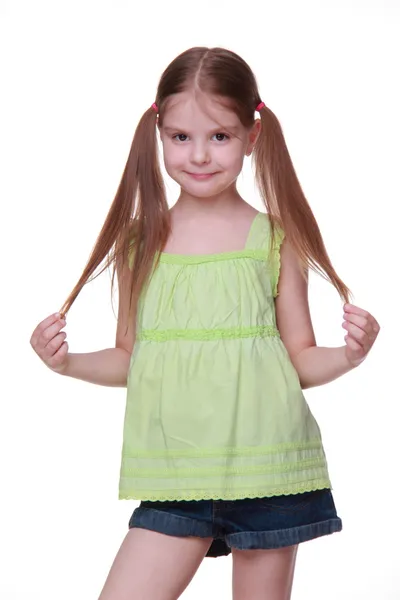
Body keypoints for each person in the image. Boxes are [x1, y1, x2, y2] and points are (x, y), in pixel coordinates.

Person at [30, 46, 380, 600]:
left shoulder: (275, 239)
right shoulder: (139, 243)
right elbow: (129, 356)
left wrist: (350, 354)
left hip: (267, 471)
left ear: (251, 138)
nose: (198, 155)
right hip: (175, 474)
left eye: (219, 136)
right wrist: (66, 362)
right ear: (159, 134)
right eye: (180, 137)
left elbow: (301, 359)